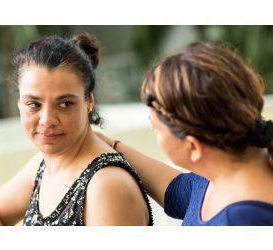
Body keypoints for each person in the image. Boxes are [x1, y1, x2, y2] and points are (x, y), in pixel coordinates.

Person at [0, 34, 153, 226]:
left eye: (65, 104)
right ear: (19, 104)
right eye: (33, 104)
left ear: (89, 101)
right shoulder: (44, 165)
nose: (47, 120)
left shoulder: (107, 186)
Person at [97, 41, 273, 225]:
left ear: (193, 147)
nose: (152, 130)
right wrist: (109, 146)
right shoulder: (224, 170)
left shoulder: (243, 221)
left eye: (156, 129)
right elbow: (180, 193)